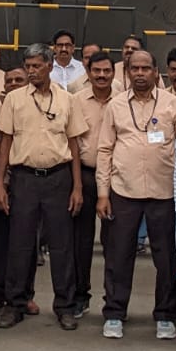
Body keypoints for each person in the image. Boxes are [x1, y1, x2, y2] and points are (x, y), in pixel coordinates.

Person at [0, 44, 88, 330]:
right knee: (20, 244)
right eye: (28, 66)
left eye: (37, 66)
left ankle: (65, 306)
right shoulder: (14, 100)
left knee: (62, 245)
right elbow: (6, 142)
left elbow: (73, 144)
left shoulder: (67, 99)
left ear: (49, 66)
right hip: (24, 178)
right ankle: (15, 303)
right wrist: (0, 182)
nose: (32, 71)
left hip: (59, 178)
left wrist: (77, 188)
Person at [96, 49, 176, 340]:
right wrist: (103, 193)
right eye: (134, 68)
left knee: (167, 258)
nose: (139, 73)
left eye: (145, 68)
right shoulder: (116, 105)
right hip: (124, 191)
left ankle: (165, 314)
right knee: (119, 256)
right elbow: (105, 149)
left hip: (165, 193)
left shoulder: (172, 104)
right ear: (127, 73)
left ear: (155, 71)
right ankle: (114, 313)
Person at [70, 50, 117, 315]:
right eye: (96, 71)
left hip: (116, 178)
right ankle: (80, 294)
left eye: (106, 71)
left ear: (113, 73)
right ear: (88, 73)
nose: (101, 75)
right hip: (85, 174)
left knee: (115, 243)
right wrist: (76, 185)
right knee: (81, 241)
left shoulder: (123, 101)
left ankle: (113, 299)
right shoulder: (76, 101)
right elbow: (73, 144)